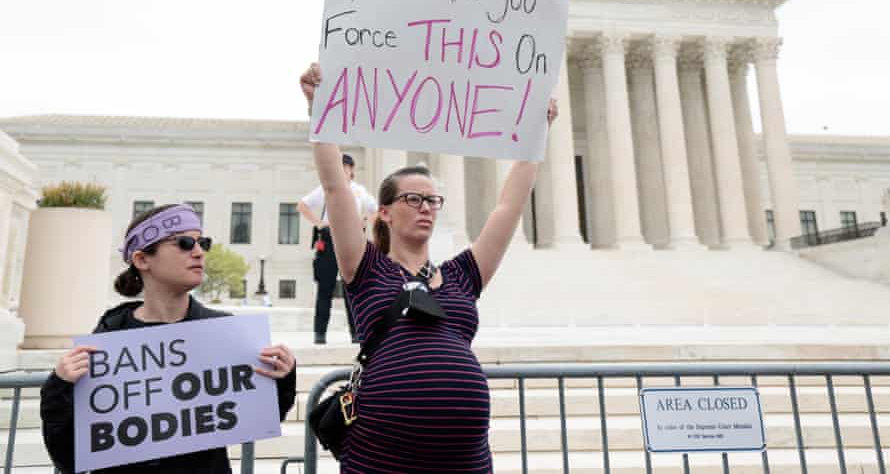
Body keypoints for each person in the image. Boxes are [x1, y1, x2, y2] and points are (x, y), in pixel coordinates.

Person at [300, 63, 558, 473]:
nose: (425, 208)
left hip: (464, 462)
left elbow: (509, 205)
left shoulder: (462, 275)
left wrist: (536, 135)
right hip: (381, 460)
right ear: (383, 212)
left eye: (432, 201)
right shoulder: (366, 269)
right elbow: (335, 187)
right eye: (413, 200)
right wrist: (319, 109)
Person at [40, 204, 297, 474]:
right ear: (142, 260)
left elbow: (255, 418)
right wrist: (59, 386)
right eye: (184, 243)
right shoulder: (109, 336)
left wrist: (282, 378)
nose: (199, 252)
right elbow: (70, 452)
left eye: (202, 242)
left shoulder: (223, 331)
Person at [298, 153, 377, 344]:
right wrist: (318, 223)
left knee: (353, 287)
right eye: (338, 166)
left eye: (345, 167)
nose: (341, 170)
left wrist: (365, 223)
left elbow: (374, 209)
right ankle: (319, 334)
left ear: (351, 170)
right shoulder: (327, 189)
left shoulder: (359, 191)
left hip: (352, 238)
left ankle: (357, 334)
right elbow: (302, 205)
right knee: (325, 287)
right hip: (329, 237)